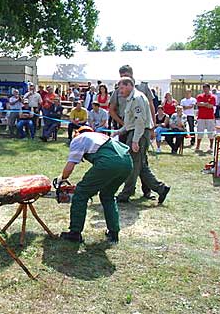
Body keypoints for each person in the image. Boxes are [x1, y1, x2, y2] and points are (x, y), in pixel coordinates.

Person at [58, 126, 133, 244]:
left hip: (109, 162)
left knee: (81, 192)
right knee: (108, 195)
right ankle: (113, 233)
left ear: (77, 133)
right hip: (127, 162)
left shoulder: (79, 139)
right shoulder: (100, 136)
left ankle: (75, 232)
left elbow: (70, 165)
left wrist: (61, 179)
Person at [112, 77, 170, 204]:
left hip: (139, 133)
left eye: (121, 87)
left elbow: (139, 122)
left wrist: (135, 140)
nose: (119, 91)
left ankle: (125, 194)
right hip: (136, 132)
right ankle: (161, 188)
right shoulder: (132, 98)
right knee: (141, 166)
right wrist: (119, 131)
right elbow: (130, 123)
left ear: (129, 86)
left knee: (132, 164)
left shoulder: (136, 99)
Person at [108, 64, 156, 200]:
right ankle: (159, 187)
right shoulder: (120, 89)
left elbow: (148, 110)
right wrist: (123, 127)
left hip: (139, 130)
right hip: (128, 128)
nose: (121, 88)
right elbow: (112, 109)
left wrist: (152, 127)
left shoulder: (140, 90)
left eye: (125, 76)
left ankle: (142, 191)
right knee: (135, 161)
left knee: (137, 162)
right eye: (121, 76)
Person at [195, 83, 216, 152]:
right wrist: (206, 104)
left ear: (209, 89)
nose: (205, 89)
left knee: (210, 133)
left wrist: (203, 104)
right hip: (201, 117)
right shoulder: (199, 96)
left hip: (210, 117)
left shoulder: (212, 97)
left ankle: (210, 147)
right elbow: (198, 104)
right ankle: (197, 147)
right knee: (200, 132)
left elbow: (211, 106)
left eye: (207, 88)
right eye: (204, 88)